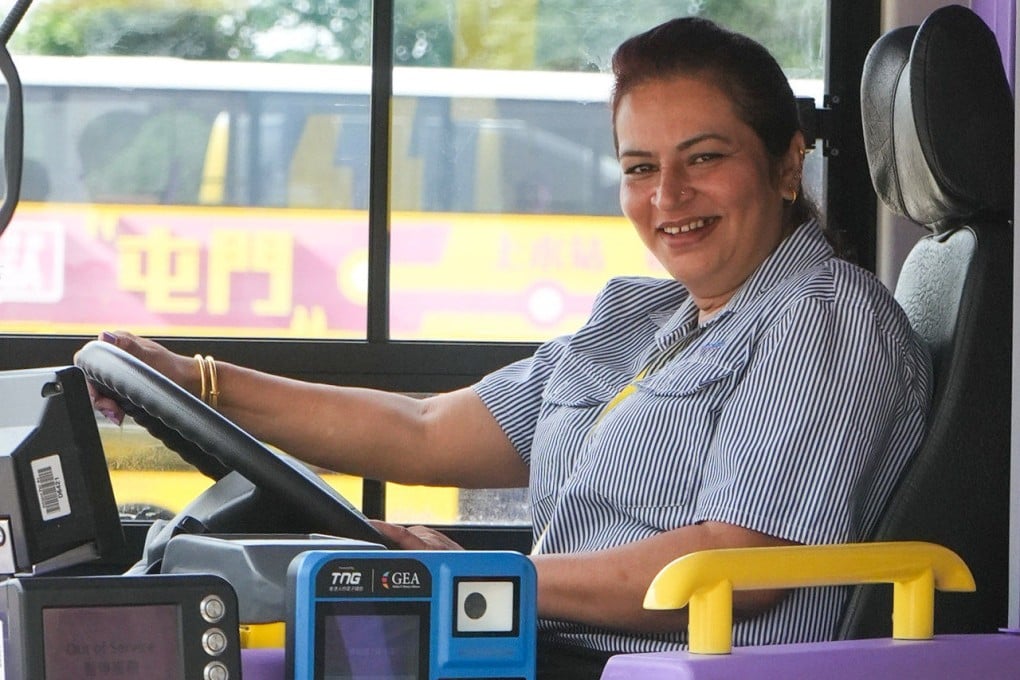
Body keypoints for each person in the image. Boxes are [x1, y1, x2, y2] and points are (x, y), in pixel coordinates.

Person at [87, 16, 932, 680]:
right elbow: (421, 428)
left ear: (787, 165)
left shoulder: (824, 318)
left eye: (704, 158)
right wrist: (196, 382)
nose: (668, 195)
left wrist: (488, 581)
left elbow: (740, 563)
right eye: (640, 168)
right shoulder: (647, 322)